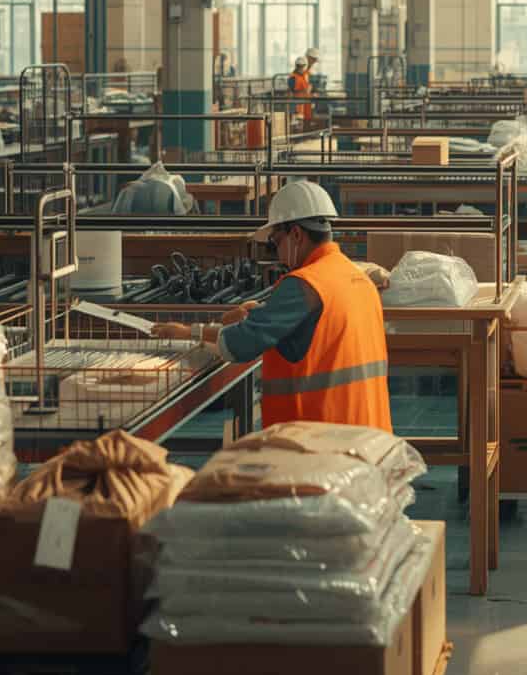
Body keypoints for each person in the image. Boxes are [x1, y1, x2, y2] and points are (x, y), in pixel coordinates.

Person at [152, 181, 391, 430]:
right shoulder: (357, 278)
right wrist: (261, 315)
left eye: (275, 242)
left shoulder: (304, 284)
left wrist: (190, 332)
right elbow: (319, 333)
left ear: (296, 235)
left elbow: (240, 344)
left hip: (319, 442)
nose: (276, 253)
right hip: (368, 436)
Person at [287, 55, 313, 128]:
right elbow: (293, 89)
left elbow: (311, 84)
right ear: (296, 66)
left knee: (307, 120)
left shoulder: (306, 74)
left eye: (302, 66)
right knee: (298, 122)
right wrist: (306, 90)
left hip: (307, 102)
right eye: (299, 66)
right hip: (297, 103)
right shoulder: (292, 77)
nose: (300, 68)